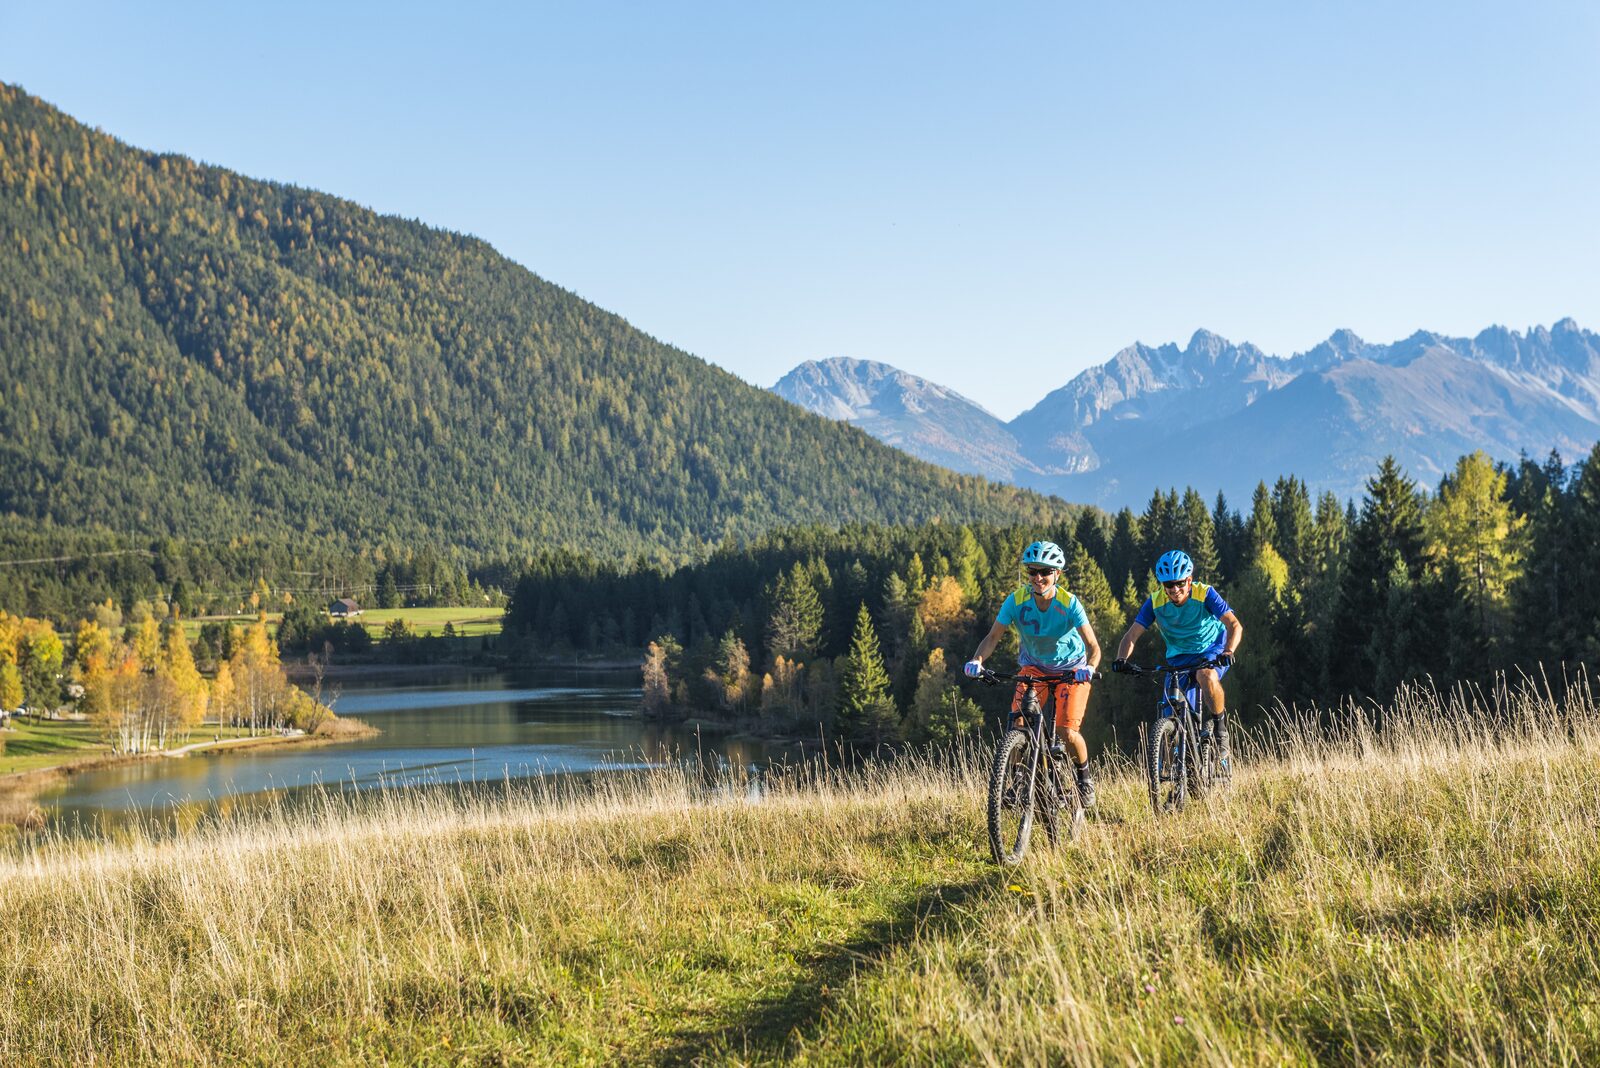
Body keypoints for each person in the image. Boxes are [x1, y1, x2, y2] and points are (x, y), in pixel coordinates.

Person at [964, 540, 1102, 806]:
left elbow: (1094, 647)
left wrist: (1089, 668)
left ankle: (1084, 778)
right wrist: (977, 660)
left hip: (1071, 669)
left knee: (1065, 730)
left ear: (1057, 574)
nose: (1038, 577)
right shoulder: (1016, 601)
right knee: (1018, 722)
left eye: (1045, 571)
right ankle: (1017, 781)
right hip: (1034, 668)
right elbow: (993, 637)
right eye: (1033, 571)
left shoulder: (1069, 603)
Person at [1112, 549, 1243, 776]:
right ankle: (1179, 776)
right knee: (1170, 709)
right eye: (1169, 585)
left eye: (1180, 583)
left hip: (1212, 648)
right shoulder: (1155, 602)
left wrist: (1228, 650)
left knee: (1206, 675)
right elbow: (1132, 635)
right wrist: (1121, 659)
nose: (1175, 590)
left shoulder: (1205, 594)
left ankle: (1220, 731)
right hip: (1179, 656)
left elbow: (1234, 625)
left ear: (1189, 580)